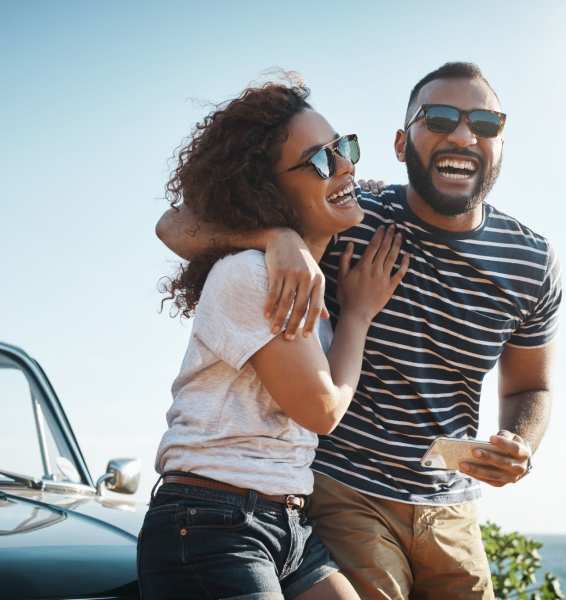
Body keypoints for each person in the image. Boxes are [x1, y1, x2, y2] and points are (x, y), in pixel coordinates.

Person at [156, 63, 562, 599]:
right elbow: (176, 225)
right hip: (343, 491)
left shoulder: (531, 261)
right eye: (439, 118)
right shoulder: (349, 212)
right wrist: (276, 235)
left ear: (501, 143)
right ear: (402, 143)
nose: (463, 135)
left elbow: (531, 387)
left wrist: (521, 444)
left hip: (451, 506)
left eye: (485, 123)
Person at [139, 79, 409, 600]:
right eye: (321, 161)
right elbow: (322, 410)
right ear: (267, 190)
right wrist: (356, 315)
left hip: (285, 523)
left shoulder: (304, 271)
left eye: (344, 147)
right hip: (211, 525)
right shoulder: (250, 275)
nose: (345, 166)